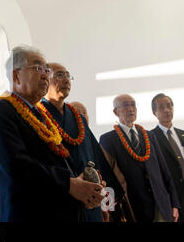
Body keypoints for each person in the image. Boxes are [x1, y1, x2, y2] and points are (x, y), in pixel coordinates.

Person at [0, 45, 104, 222]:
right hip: (31, 213)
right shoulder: (0, 110)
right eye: (37, 68)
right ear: (15, 75)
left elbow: (61, 158)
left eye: (46, 69)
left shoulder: (41, 115)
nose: (45, 74)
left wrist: (83, 185)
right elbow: (16, 164)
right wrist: (70, 184)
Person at [38, 63, 124, 222]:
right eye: (59, 75)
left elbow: (97, 158)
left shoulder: (77, 118)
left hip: (92, 201)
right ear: (44, 79)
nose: (66, 80)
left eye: (67, 75)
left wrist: (107, 201)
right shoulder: (38, 116)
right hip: (63, 200)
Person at [99, 94, 180, 222]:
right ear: (116, 112)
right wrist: (109, 211)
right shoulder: (108, 139)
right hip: (132, 207)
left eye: (133, 105)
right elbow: (107, 176)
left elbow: (164, 170)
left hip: (160, 204)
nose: (131, 109)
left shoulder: (149, 135)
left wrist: (175, 203)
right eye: (126, 105)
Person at [69, 100, 136, 222]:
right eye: (77, 112)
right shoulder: (69, 144)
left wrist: (107, 207)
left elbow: (105, 174)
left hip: (107, 204)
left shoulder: (95, 142)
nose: (82, 116)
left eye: (84, 113)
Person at [150, 93, 184, 222]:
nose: (167, 110)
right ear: (154, 112)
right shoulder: (151, 137)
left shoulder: (182, 134)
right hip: (172, 197)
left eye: (169, 106)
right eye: (161, 107)